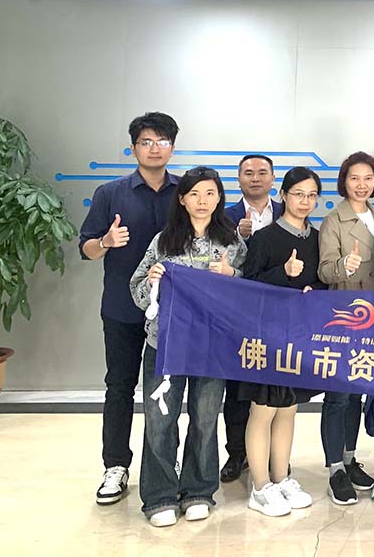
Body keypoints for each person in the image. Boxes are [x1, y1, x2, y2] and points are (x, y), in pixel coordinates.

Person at [128, 166, 246, 526]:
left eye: (210, 193)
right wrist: (152, 281)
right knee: (159, 420)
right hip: (165, 343)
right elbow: (138, 292)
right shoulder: (163, 242)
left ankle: (198, 490)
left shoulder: (232, 243)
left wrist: (231, 275)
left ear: (219, 198)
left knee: (206, 418)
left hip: (212, 345)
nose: (202, 201)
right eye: (194, 194)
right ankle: (159, 496)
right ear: (182, 200)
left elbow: (248, 296)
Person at [79, 111, 181, 505]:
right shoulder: (110, 193)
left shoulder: (185, 192)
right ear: (133, 147)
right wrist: (105, 241)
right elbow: (86, 249)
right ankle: (116, 466)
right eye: (146, 142)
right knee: (120, 387)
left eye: (162, 141)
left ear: (173, 147)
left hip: (172, 311)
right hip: (122, 308)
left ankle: (165, 463)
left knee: (165, 391)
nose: (155, 149)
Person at [239, 166, 326, 517]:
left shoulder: (317, 238)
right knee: (263, 410)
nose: (305, 201)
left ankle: (281, 478)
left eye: (311, 195)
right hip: (266, 335)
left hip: (299, 336)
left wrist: (314, 290)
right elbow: (248, 285)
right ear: (284, 195)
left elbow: (322, 281)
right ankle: (260, 487)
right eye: (298, 194)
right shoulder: (265, 238)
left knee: (289, 409)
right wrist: (283, 274)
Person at [316, 152, 374, 504]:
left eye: (368, 178)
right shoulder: (334, 220)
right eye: (355, 178)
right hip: (344, 318)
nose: (362, 184)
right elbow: (324, 270)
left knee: (357, 392)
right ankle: (334, 470)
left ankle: (348, 458)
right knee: (338, 395)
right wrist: (344, 264)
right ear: (343, 181)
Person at [219, 154, 283, 484]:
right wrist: (237, 234)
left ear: (273, 178)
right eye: (248, 173)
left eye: (262, 172)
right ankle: (236, 454)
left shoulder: (286, 212)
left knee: (276, 388)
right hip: (237, 314)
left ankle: (274, 456)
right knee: (237, 388)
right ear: (238, 178)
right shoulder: (223, 216)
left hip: (278, 316)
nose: (255, 178)